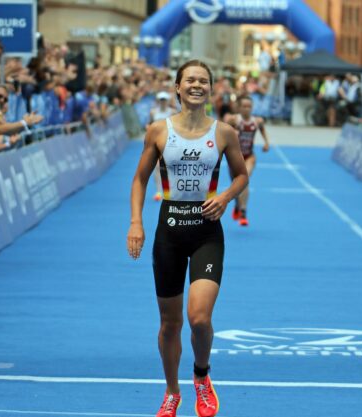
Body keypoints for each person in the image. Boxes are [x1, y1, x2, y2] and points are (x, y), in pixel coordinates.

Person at [127, 60, 248, 417]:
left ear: (211, 89)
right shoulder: (158, 131)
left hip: (206, 231)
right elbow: (139, 180)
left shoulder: (224, 132)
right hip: (169, 231)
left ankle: (201, 376)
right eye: (190, 80)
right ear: (178, 87)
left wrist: (224, 198)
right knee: (170, 323)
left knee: (198, 319)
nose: (197, 85)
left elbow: (241, 175)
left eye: (203, 81)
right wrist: (136, 222)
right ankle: (171, 391)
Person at [225, 95, 270, 226]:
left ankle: (243, 211)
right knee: (235, 184)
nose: (247, 109)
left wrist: (266, 142)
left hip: (250, 156)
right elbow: (223, 133)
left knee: (244, 180)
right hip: (234, 157)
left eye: (249, 106)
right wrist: (233, 132)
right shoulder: (233, 119)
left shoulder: (257, 121)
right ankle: (238, 205)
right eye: (244, 106)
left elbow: (262, 130)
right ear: (239, 107)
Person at [148, 91, 177, 202]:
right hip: (156, 142)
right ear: (158, 101)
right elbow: (149, 125)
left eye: (164, 100)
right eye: (161, 100)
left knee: (170, 167)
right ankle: (159, 191)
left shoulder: (173, 112)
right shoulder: (153, 112)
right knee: (157, 168)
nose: (163, 102)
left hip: (170, 142)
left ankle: (170, 190)